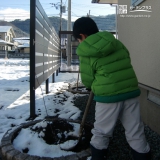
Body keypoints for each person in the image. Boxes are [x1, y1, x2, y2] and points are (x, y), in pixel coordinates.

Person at [73, 17, 151, 160]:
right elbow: (126, 59)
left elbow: (87, 79)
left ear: (82, 36)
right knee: (135, 131)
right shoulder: (115, 42)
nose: (79, 42)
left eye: (78, 39)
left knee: (102, 132)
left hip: (108, 96)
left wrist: (92, 87)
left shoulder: (85, 50)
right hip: (130, 91)